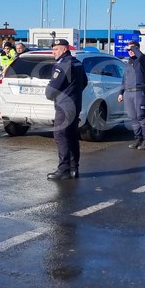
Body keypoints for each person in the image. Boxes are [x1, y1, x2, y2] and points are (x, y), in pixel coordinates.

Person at [44, 39, 86, 181]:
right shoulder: (77, 63)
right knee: (72, 136)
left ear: (64, 49)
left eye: (56, 49)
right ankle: (74, 168)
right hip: (75, 104)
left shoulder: (62, 64)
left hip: (64, 106)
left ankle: (64, 170)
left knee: (60, 136)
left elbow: (52, 90)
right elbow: (84, 82)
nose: (53, 52)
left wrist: (54, 95)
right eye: (53, 49)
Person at [118, 40, 145, 150]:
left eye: (131, 49)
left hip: (138, 92)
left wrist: (133, 48)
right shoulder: (128, 63)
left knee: (141, 116)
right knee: (132, 117)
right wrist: (121, 93)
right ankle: (138, 138)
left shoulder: (142, 60)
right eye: (128, 50)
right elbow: (124, 79)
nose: (130, 51)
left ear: (137, 49)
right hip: (128, 92)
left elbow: (140, 55)